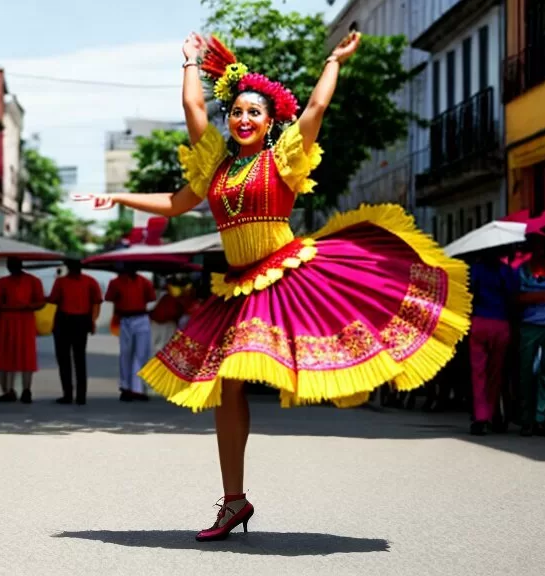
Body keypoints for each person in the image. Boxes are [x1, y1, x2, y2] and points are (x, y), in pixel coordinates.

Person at [76, 31, 470, 541]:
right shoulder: (216, 165)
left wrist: (333, 60)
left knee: (325, 346)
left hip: (288, 273)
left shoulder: (283, 157)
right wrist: (189, 65)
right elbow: (177, 194)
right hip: (239, 286)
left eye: (253, 114)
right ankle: (234, 500)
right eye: (236, 112)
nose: (242, 119)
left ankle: (367, 384)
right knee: (225, 386)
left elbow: (317, 107)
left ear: (269, 122)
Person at [467, 247, 519, 435]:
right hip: (501, 324)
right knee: (495, 374)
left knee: (478, 372)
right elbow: (513, 296)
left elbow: (470, 293)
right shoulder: (507, 271)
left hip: (480, 322)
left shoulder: (476, 269)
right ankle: (492, 413)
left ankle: (480, 416)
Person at [515, 234, 545, 437]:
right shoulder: (522, 271)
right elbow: (518, 298)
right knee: (526, 373)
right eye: (537, 247)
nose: (541, 251)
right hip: (530, 325)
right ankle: (526, 419)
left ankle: (540, 416)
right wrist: (543, 296)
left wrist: (537, 297)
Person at [0, 257, 45, 403]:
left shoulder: (32, 281)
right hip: (10, 321)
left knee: (21, 355)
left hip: (20, 320)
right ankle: (10, 390)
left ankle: (22, 389)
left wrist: (27, 307)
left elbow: (40, 302)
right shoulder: (3, 282)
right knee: (7, 355)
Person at [49, 258, 102, 405]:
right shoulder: (90, 281)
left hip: (64, 321)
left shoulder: (61, 282)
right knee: (79, 358)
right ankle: (80, 396)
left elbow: (53, 299)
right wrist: (92, 321)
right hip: (81, 320)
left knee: (64, 359)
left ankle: (68, 394)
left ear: (68, 268)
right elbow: (96, 302)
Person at [105, 262, 156, 401]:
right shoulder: (116, 282)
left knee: (141, 354)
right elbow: (109, 297)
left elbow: (151, 298)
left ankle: (138, 389)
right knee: (126, 354)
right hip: (125, 319)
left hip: (141, 318)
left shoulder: (144, 282)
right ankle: (126, 387)